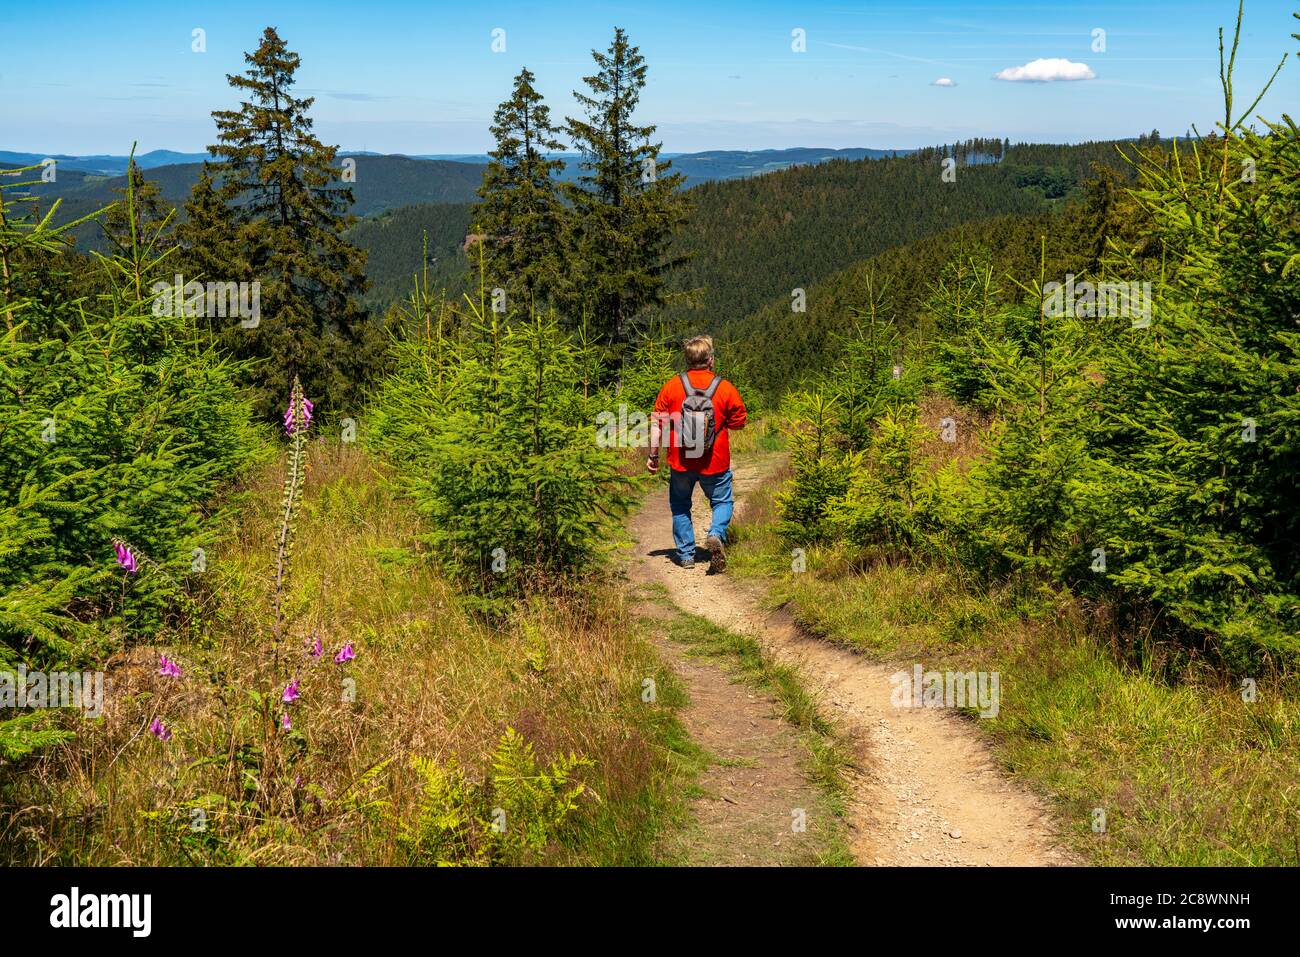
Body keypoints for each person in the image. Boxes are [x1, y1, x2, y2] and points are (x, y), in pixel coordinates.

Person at [647, 336, 748, 571]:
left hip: (681, 460)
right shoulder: (724, 387)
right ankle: (715, 533)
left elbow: (657, 423)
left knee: (681, 504)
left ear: (687, 360)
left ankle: (686, 556)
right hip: (715, 460)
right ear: (710, 360)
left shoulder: (672, 386)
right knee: (722, 501)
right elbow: (740, 422)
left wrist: (653, 456)